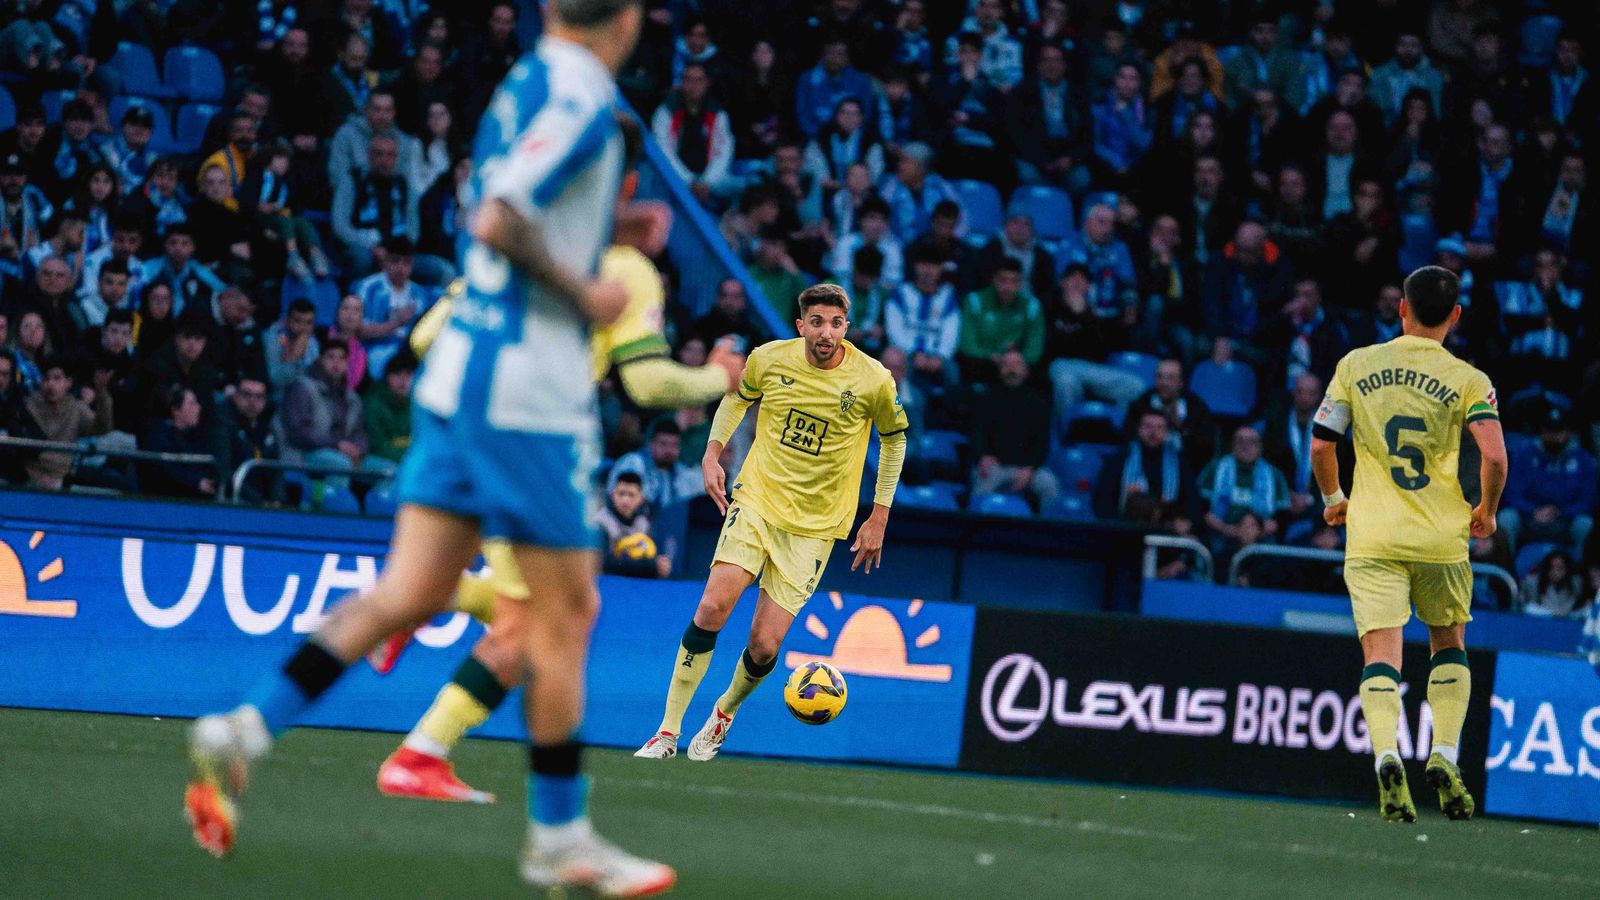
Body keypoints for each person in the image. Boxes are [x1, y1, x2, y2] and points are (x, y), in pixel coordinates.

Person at [182, 8, 670, 887]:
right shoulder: (587, 94)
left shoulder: (526, 77)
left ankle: (244, 727)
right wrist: (588, 290)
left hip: (462, 370)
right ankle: (559, 836)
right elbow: (499, 218)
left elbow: (506, 208)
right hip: (527, 392)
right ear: (628, 19)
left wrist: (607, 233)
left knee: (415, 589)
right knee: (566, 616)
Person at [372, 122, 744, 807]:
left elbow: (424, 337)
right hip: (538, 445)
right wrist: (720, 375)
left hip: (460, 430)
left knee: (533, 609)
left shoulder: (509, 243)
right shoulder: (623, 270)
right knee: (551, 618)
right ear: (625, 187)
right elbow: (649, 385)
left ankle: (419, 626)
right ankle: (435, 756)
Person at [635, 283, 908, 762]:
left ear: (847, 327)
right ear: (801, 325)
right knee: (712, 607)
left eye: (837, 323)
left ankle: (723, 712)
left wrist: (879, 513)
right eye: (817, 322)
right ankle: (667, 731)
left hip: (816, 527)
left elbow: (894, 441)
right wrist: (712, 453)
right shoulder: (768, 359)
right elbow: (737, 399)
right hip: (758, 500)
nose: (827, 333)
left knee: (763, 646)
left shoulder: (872, 380)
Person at [1310, 264, 1506, 823]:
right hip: (1441, 538)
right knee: (1449, 646)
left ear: (1401, 308)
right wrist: (1486, 512)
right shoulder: (1470, 379)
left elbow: (1323, 444)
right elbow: (1493, 456)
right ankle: (1444, 753)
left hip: (1372, 534)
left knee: (1382, 656)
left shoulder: (1357, 364)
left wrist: (1333, 496)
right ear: (1456, 316)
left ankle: (1387, 754)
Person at [969, 350, 1057, 511]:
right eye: (1006, 365)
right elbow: (976, 432)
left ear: (1026, 370)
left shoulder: (1039, 403)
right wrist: (983, 456)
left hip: (1027, 468)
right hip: (995, 465)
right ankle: (972, 528)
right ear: (1000, 370)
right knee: (985, 478)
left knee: (1048, 483)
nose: (1011, 369)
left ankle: (1050, 532)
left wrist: (1030, 469)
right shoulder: (986, 398)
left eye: (1016, 364)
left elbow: (1042, 442)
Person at [1500, 407, 1596, 553]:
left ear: (1569, 432)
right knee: (1507, 518)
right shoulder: (1524, 454)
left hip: (1565, 519)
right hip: (1530, 517)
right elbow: (1512, 494)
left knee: (1584, 524)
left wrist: (1560, 512)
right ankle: (1507, 572)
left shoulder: (1584, 460)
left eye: (1558, 431)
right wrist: (1532, 510)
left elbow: (1587, 501)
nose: (1553, 436)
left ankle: (1581, 572)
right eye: (1549, 431)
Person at [21, 356, 113, 489]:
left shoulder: (77, 407)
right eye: (47, 378)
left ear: (68, 383)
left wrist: (102, 393)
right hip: (30, 477)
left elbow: (103, 428)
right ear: (41, 382)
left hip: (64, 477)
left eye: (57, 378)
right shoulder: (27, 406)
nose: (51, 384)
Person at [957, 258, 1043, 383]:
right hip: (982, 364)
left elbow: (1035, 349)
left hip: (1017, 366)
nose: (1007, 287)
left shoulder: (1032, 306)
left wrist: (1016, 359)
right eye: (1002, 280)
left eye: (1014, 281)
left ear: (1020, 283)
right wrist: (990, 356)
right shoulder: (974, 301)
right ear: (994, 280)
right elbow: (967, 344)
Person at [608, 417, 703, 509]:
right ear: (651, 444)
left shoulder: (682, 472)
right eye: (663, 444)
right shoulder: (633, 463)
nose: (668, 450)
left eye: (674, 445)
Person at [140, 385, 216, 499]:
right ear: (176, 410)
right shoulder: (159, 436)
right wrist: (196, 482)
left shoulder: (201, 436)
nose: (198, 407)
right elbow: (166, 471)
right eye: (192, 403)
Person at [596, 471, 668, 579]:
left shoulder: (644, 523)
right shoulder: (601, 522)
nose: (625, 500)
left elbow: (655, 559)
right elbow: (601, 562)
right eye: (621, 494)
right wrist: (649, 567)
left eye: (631, 495)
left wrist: (661, 566)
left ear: (641, 498)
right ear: (612, 495)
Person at [1521, 549, 1588, 619]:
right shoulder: (1533, 582)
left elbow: (1571, 611)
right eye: (1552, 567)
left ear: (1567, 569)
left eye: (1560, 568)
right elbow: (1527, 607)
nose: (1555, 572)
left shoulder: (1576, 583)